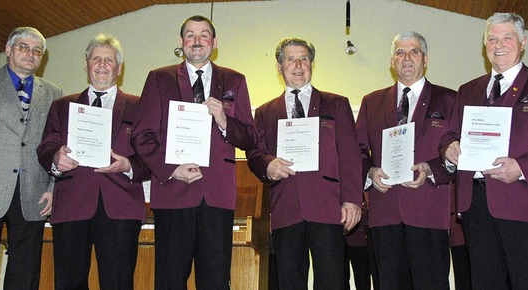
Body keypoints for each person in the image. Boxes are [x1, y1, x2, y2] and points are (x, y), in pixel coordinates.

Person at [440, 12, 528, 289]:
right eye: (492, 39)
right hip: (474, 204)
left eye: (507, 38)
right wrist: (448, 148)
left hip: (521, 200)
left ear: (523, 41)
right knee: (486, 282)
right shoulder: (468, 89)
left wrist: (521, 167)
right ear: (484, 45)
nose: (498, 45)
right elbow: (450, 134)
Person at [131, 15, 256, 290]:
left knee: (215, 280)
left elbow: (249, 137)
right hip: (173, 192)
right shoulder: (158, 78)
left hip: (217, 196)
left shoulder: (235, 80)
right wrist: (170, 169)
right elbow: (142, 135)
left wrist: (224, 120)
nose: (197, 41)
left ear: (214, 42)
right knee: (170, 279)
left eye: (203, 35)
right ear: (181, 42)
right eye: (190, 35)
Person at [36, 33, 149, 290]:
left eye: (108, 60)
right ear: (86, 65)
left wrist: (129, 165)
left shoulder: (139, 106)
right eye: (96, 58)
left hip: (120, 207)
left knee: (118, 283)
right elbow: (46, 146)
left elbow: (151, 155)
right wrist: (56, 157)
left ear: (119, 68)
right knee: (69, 282)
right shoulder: (62, 105)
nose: (101, 64)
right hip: (72, 205)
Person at [247, 37, 361, 289]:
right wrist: (267, 165)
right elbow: (255, 155)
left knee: (333, 280)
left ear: (312, 64)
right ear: (279, 66)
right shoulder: (264, 112)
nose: (298, 65)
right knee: (289, 282)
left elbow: (351, 157)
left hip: (329, 206)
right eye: (290, 59)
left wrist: (352, 199)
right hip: (286, 207)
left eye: (304, 59)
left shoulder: (337, 104)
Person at [356, 31, 456, 289]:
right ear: (392, 61)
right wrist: (370, 173)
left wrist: (431, 169)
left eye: (414, 52)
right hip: (384, 214)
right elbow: (356, 152)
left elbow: (458, 153)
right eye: (400, 53)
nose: (407, 58)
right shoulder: (371, 102)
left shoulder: (450, 99)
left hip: (428, 213)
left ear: (425, 59)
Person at [0, 26, 62, 290]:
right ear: (8, 50)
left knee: (25, 271)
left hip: (34, 192)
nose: (30, 54)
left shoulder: (54, 93)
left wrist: (54, 187)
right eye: (23, 47)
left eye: (37, 50)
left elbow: (57, 145)